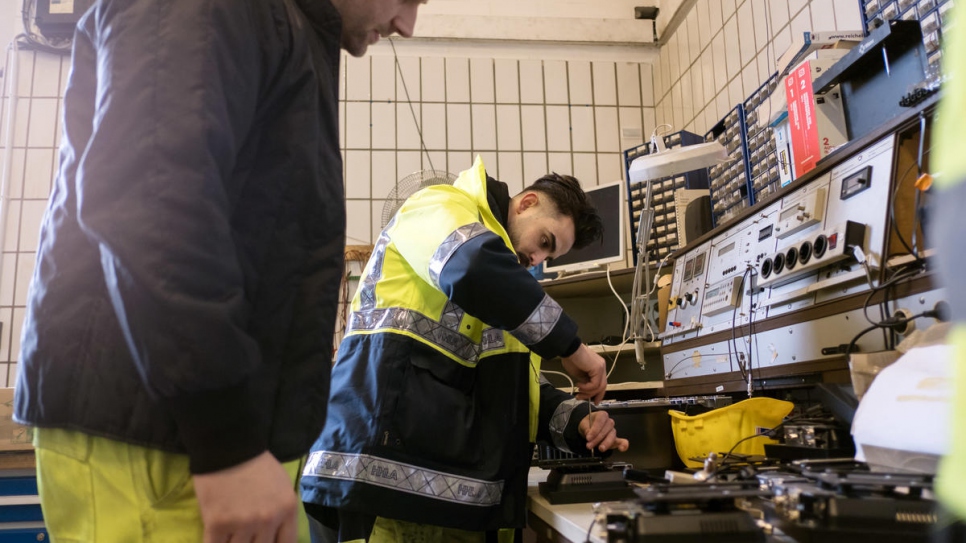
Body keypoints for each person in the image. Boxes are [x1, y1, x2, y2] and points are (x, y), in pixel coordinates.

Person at [13, 0, 427, 542]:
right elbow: (154, 206)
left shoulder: (281, 24)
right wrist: (226, 441)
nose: (408, 24)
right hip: (164, 436)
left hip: (210, 437)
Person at [301, 156, 629, 542]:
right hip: (378, 488)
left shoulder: (503, 291)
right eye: (544, 242)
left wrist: (576, 423)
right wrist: (572, 347)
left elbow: (503, 389)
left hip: (435, 499)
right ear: (526, 203)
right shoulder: (438, 205)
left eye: (548, 258)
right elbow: (470, 266)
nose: (537, 261)